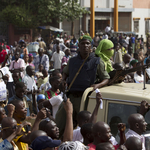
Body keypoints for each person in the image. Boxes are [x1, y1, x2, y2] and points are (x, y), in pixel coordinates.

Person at [55, 35, 110, 137]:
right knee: (60, 122)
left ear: (91, 46)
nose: (85, 46)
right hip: (71, 97)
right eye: (83, 43)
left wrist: (97, 85)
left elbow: (106, 78)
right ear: (78, 46)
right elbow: (65, 73)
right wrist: (63, 80)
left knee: (84, 128)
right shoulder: (72, 60)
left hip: (85, 99)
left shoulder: (97, 61)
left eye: (87, 43)